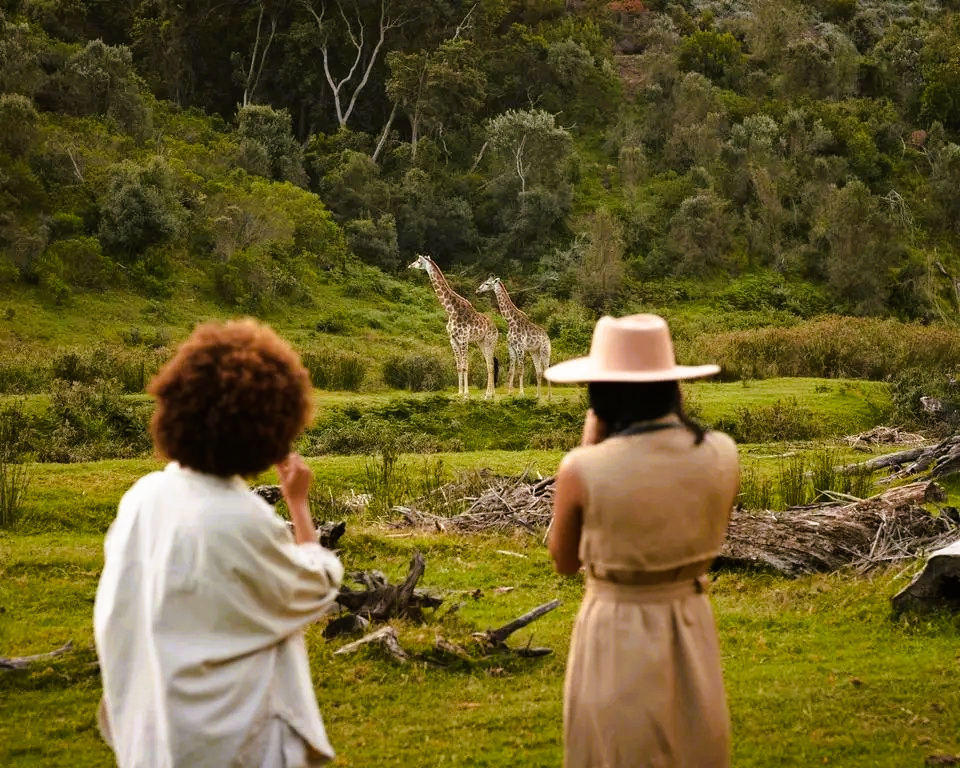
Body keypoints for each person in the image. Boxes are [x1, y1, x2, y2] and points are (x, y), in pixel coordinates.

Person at [93, 318, 344, 768]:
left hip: (152, 738)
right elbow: (318, 586)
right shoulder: (241, 518)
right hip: (232, 747)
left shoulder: (143, 497)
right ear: (273, 427)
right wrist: (299, 505)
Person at [545, 313, 740, 768]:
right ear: (671, 385)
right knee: (695, 741)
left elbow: (563, 561)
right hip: (691, 619)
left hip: (617, 623)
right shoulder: (723, 453)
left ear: (601, 395)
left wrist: (589, 447)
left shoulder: (582, 468)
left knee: (618, 747)